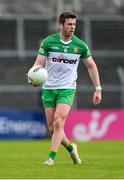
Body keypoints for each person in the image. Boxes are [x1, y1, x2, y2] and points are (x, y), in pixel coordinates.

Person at [28, 11, 102, 166]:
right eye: (69, 24)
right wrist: (32, 75)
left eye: (74, 24)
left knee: (59, 121)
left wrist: (98, 88)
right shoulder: (48, 42)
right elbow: (38, 63)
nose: (72, 27)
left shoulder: (80, 45)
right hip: (48, 88)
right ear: (60, 25)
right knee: (52, 128)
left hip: (67, 88)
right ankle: (71, 149)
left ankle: (51, 158)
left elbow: (91, 66)